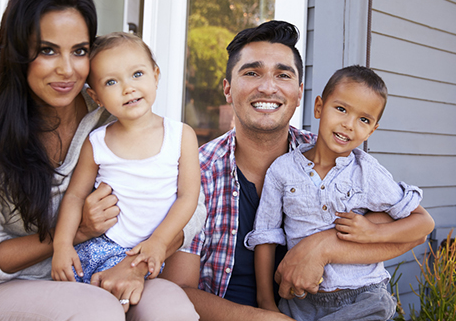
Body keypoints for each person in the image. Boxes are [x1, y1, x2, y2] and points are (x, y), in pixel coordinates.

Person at [0, 0, 203, 320]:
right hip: (6, 289)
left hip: (108, 267)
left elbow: (192, 205)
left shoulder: (112, 118)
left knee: (172, 310)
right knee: (97, 312)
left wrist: (135, 264)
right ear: (18, 53)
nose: (67, 69)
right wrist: (75, 231)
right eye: (47, 50)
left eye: (79, 51)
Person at [161, 20, 432, 321]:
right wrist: (266, 318)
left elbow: (414, 231)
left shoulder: (338, 158)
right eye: (251, 73)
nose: (267, 86)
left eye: (282, 75)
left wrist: (324, 246)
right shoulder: (198, 173)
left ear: (300, 91)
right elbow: (177, 290)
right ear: (227, 88)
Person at [245, 65, 435, 320]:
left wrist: (374, 232)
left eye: (364, 120)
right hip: (300, 301)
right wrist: (266, 301)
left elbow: (423, 223)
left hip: (362, 298)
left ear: (372, 129)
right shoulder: (282, 170)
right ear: (319, 108)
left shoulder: (366, 172)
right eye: (341, 109)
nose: (348, 124)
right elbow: (266, 236)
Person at [51, 32, 199, 319]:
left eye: (137, 74)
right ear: (95, 97)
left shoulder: (181, 136)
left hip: (159, 249)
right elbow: (75, 196)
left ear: (156, 76)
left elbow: (188, 196)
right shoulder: (96, 142)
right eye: (111, 82)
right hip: (103, 249)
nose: (128, 88)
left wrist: (158, 241)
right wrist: (62, 245)